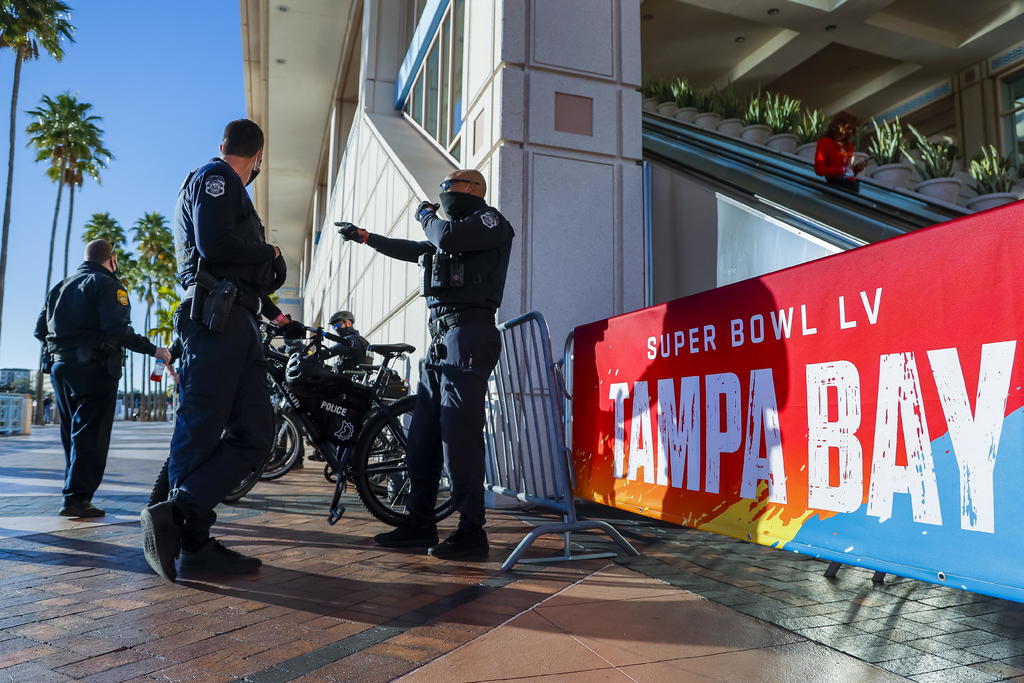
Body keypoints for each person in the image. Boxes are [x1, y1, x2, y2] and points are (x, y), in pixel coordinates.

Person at [140, 119, 305, 581]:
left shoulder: (232, 189)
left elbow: (252, 273)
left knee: (255, 433)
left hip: (238, 321)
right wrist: (269, 251)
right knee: (200, 429)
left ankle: (178, 513)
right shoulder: (217, 179)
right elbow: (214, 245)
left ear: (224, 145)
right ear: (257, 159)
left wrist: (281, 318)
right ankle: (190, 538)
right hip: (215, 320)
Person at [338, 168, 514, 560]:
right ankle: (420, 523)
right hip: (440, 343)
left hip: (468, 336)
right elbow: (414, 249)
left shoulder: (487, 222)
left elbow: (442, 235)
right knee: (423, 436)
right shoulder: (447, 236)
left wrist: (424, 214)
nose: (444, 195)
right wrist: (366, 237)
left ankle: (473, 531)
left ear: (472, 191)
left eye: (449, 189)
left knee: (459, 435)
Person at [34, 239, 172, 518]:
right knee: (91, 435)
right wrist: (153, 349)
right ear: (112, 260)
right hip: (95, 367)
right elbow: (117, 329)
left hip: (61, 366)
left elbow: (39, 330)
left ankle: (74, 492)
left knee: (73, 433)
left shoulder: (60, 287)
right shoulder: (108, 284)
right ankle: (76, 499)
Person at [814, 111, 866, 193]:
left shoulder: (849, 146)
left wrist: (856, 169)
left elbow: (848, 171)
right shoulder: (825, 142)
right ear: (839, 127)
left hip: (852, 186)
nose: (851, 132)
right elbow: (819, 169)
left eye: (853, 129)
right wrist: (842, 169)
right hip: (836, 186)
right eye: (848, 128)